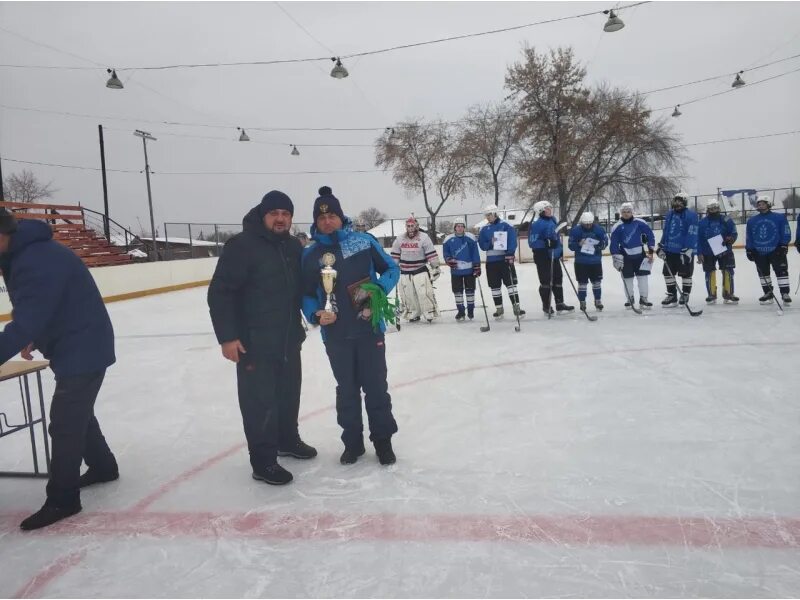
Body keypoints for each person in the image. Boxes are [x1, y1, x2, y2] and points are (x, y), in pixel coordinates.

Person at [0, 208, 118, 531]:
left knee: (65, 421)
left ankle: (63, 499)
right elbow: (43, 305)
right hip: (78, 341)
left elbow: (28, 316)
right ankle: (103, 466)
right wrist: (35, 335)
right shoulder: (24, 253)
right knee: (77, 412)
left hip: (84, 344)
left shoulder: (33, 259)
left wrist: (27, 332)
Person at [208, 191, 315, 487]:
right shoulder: (242, 246)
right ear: (263, 214)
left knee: (288, 394)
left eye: (286, 213)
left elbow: (301, 289)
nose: (280, 218)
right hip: (253, 343)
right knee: (260, 403)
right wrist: (228, 338)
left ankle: (287, 440)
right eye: (274, 213)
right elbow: (220, 293)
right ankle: (264, 461)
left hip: (288, 339)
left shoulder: (293, 247)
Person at [302, 186, 400, 465]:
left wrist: (377, 290)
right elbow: (306, 293)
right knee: (346, 390)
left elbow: (393, 269)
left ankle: (383, 442)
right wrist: (316, 313)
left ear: (340, 216)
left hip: (369, 329)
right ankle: (352, 443)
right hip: (335, 334)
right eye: (321, 218)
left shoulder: (363, 241)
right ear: (315, 222)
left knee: (376, 388)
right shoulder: (310, 255)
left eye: (331, 215)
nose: (327, 221)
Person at [477, 204, 525, 318]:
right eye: (486, 215)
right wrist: (490, 243)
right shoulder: (484, 229)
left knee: (511, 284)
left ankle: (516, 307)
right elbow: (482, 245)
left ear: (495, 213)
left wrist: (510, 254)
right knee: (494, 286)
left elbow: (512, 241)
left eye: (490, 214)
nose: (488, 217)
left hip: (505, 260)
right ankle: (499, 309)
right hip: (491, 262)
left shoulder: (506, 225)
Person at [390, 216, 440, 323]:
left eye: (412, 226)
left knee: (424, 293)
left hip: (420, 270)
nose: (410, 228)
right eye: (408, 226)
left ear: (416, 226)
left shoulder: (424, 237)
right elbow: (395, 256)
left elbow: (431, 253)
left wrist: (435, 266)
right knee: (408, 295)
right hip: (405, 271)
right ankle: (413, 314)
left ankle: (429, 313)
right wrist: (393, 268)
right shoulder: (399, 239)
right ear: (406, 227)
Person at [528, 201, 574, 315]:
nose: (550, 210)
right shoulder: (537, 224)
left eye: (550, 208)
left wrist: (559, 249)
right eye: (547, 209)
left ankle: (559, 304)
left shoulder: (553, 220)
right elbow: (532, 242)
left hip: (554, 255)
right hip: (542, 256)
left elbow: (555, 238)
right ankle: (546, 306)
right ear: (541, 211)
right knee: (546, 281)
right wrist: (546, 244)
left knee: (558, 278)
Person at [745, 195, 792, 304]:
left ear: (768, 204)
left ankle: (785, 293)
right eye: (758, 203)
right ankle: (768, 293)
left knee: (781, 271)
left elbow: (786, 231)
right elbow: (749, 237)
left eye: (763, 203)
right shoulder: (751, 221)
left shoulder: (779, 217)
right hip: (759, 251)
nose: (760, 205)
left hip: (776, 249)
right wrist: (749, 249)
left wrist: (784, 244)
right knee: (763, 274)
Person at [610, 202, 656, 309]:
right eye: (624, 212)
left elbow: (650, 236)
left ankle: (644, 298)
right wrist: (616, 256)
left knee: (643, 278)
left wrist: (650, 251)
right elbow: (614, 243)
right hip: (625, 256)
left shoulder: (641, 223)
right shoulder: (617, 226)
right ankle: (629, 298)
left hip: (640, 255)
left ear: (632, 212)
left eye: (628, 212)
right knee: (627, 278)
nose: (626, 214)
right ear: (621, 213)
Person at [656, 192, 698, 307]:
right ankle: (672, 294)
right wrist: (661, 245)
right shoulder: (670, 214)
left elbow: (693, 233)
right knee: (667, 273)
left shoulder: (691, 215)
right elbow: (666, 231)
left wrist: (688, 249)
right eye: (675, 201)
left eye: (680, 202)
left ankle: (685, 293)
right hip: (670, 250)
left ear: (685, 202)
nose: (677, 204)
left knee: (686, 273)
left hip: (684, 251)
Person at [697, 198, 739, 304]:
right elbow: (697, 238)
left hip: (724, 249)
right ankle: (712, 295)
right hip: (707, 251)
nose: (713, 210)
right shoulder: (702, 222)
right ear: (708, 209)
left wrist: (731, 239)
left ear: (719, 208)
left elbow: (733, 232)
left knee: (728, 271)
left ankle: (728, 293)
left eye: (715, 207)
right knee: (709, 272)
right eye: (711, 208)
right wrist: (699, 252)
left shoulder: (726, 219)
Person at [567, 212, 608, 312]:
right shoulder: (575, 230)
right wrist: (579, 244)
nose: (588, 226)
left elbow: (605, 242)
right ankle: (582, 302)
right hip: (581, 262)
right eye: (586, 224)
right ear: (582, 222)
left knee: (597, 283)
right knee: (582, 283)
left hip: (595, 261)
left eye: (590, 223)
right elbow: (571, 245)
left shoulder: (599, 229)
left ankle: (598, 301)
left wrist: (598, 246)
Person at [442, 218, 481, 321]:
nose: (460, 228)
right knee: (457, 291)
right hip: (456, 270)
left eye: (462, 226)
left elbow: (475, 253)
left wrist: (477, 266)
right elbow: (446, 254)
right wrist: (448, 260)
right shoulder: (448, 239)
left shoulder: (471, 237)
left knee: (470, 290)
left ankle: (471, 310)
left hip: (469, 270)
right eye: (458, 226)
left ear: (464, 227)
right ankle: (461, 311)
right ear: (454, 227)